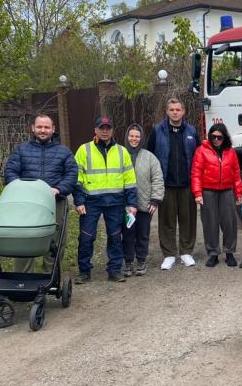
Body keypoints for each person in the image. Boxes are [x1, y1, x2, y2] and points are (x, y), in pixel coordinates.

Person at [4, 113, 78, 273]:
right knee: (24, 240)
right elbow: (10, 172)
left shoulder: (63, 152)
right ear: (33, 128)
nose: (42, 130)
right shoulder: (21, 150)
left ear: (53, 129)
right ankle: (23, 280)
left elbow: (72, 175)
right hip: (27, 204)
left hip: (55, 201)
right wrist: (21, 189)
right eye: (39, 127)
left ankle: (49, 279)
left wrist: (58, 189)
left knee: (55, 241)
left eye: (46, 127)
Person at [73, 117, 137, 283]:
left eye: (108, 128)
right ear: (95, 130)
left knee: (115, 236)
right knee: (86, 237)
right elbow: (76, 178)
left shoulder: (122, 152)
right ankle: (84, 271)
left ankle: (114, 270)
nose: (104, 131)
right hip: (90, 201)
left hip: (115, 201)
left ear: (112, 130)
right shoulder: (83, 150)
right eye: (101, 128)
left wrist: (131, 203)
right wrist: (78, 201)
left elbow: (130, 179)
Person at [146, 98, 200, 270]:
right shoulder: (158, 131)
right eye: (172, 109)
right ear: (167, 112)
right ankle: (169, 254)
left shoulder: (191, 131)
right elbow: (149, 155)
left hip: (187, 184)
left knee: (188, 220)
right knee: (166, 221)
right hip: (166, 184)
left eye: (178, 109)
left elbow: (198, 157)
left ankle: (186, 252)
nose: (175, 112)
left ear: (183, 112)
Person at [190, 123, 242, 267]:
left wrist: (239, 192)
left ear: (224, 137)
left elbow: (236, 174)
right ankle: (213, 253)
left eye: (219, 137)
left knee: (230, 223)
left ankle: (229, 252)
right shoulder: (201, 151)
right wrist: (197, 193)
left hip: (227, 190)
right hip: (208, 191)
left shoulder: (231, 152)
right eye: (213, 136)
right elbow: (196, 173)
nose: (216, 139)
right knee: (210, 223)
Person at [122, 123, 164, 277]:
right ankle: (127, 262)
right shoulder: (120, 154)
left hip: (145, 204)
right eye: (131, 136)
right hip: (126, 205)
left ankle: (141, 260)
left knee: (143, 234)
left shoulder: (149, 157)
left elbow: (158, 178)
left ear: (142, 138)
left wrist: (155, 199)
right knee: (127, 234)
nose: (134, 139)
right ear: (127, 137)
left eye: (137, 136)